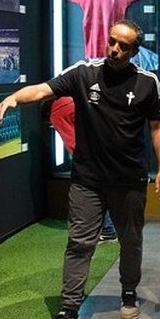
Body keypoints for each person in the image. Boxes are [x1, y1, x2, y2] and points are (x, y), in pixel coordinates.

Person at [0, 18, 160, 319]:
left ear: (134, 51)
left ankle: (129, 293)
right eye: (112, 42)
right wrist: (15, 98)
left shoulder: (148, 83)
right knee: (79, 243)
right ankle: (69, 314)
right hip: (87, 178)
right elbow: (44, 89)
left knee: (130, 241)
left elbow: (156, 127)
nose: (114, 50)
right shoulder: (83, 73)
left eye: (123, 46)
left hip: (129, 179)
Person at [48, 95, 119, 243]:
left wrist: (81, 160)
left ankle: (107, 229)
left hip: (90, 157)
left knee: (92, 192)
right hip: (109, 143)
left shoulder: (56, 114)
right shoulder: (72, 99)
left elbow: (71, 140)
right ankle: (110, 228)